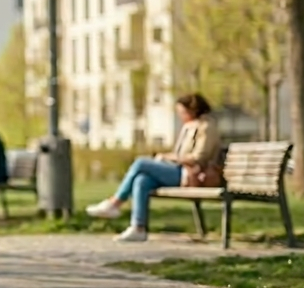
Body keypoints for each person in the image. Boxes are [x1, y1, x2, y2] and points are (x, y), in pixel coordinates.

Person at [85, 93, 223, 242]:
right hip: (181, 171)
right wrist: (168, 157)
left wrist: (168, 157)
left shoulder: (207, 127)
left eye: (182, 112)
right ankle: (138, 228)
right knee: (142, 180)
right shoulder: (189, 127)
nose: (180, 116)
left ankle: (115, 203)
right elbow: (181, 154)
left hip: (192, 175)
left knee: (141, 163)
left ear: (193, 110)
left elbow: (199, 158)